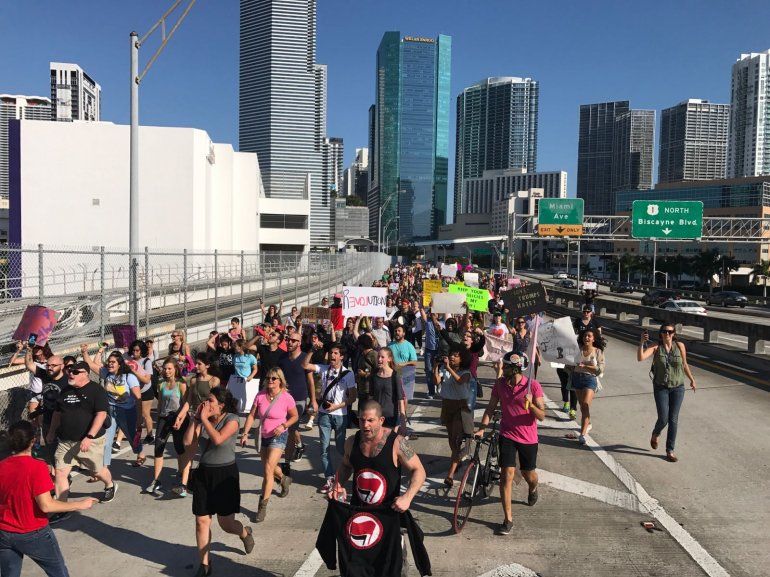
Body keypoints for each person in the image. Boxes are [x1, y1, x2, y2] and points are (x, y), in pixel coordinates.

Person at [0, 420, 97, 577]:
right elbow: (46, 505)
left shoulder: (2, 465)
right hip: (33, 531)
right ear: (33, 441)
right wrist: (79, 504)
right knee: (58, 572)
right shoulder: (37, 467)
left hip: (4, 531)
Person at [475, 352, 545, 535]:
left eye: (505, 366)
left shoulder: (533, 386)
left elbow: (542, 416)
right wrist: (482, 427)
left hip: (528, 438)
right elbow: (491, 407)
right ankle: (508, 519)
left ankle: (533, 487)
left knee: (528, 474)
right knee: (507, 474)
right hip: (507, 434)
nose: (501, 368)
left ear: (514, 368)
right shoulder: (499, 384)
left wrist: (530, 406)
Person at [187, 388, 254, 576]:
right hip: (204, 474)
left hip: (225, 475)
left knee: (226, 523)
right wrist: (196, 420)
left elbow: (218, 440)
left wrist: (205, 420)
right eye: (206, 400)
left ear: (221, 405)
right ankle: (205, 565)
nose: (206, 404)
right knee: (201, 521)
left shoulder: (232, 419)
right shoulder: (203, 420)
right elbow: (187, 443)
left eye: (210, 401)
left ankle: (244, 533)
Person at [329, 400, 426, 514]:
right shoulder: (351, 442)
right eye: (362, 420)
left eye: (370, 420)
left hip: (387, 513)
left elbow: (419, 470)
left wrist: (407, 497)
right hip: (358, 512)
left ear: (381, 420)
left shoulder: (397, 443)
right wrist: (338, 485)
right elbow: (345, 466)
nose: (365, 425)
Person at [45, 361, 117, 511]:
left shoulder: (96, 390)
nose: (71, 374)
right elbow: (57, 414)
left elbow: (101, 414)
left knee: (96, 471)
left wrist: (89, 437)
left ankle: (110, 485)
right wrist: (51, 431)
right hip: (65, 441)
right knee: (60, 472)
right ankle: (62, 507)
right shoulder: (65, 390)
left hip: (90, 441)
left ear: (86, 374)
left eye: (76, 372)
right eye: (70, 371)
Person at [240, 368, 298, 522]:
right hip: (263, 435)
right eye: (268, 378)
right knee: (269, 467)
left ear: (280, 380)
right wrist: (245, 433)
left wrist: (284, 426)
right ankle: (284, 479)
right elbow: (252, 415)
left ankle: (262, 507)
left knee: (267, 470)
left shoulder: (286, 397)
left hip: (279, 436)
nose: (270, 381)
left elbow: (295, 416)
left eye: (274, 378)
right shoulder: (260, 395)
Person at [302, 343, 357, 494]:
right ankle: (330, 478)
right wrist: (312, 349)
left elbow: (353, 397)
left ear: (341, 357)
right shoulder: (324, 369)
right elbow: (305, 364)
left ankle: (351, 471)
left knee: (340, 448)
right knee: (324, 449)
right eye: (331, 353)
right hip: (324, 414)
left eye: (335, 353)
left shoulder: (348, 374)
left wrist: (337, 406)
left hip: (340, 415)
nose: (332, 356)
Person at [636, 324, 696, 462]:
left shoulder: (680, 346)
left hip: (678, 387)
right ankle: (655, 433)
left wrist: (692, 379)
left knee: (673, 419)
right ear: (661, 333)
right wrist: (642, 343)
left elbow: (684, 364)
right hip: (661, 387)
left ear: (674, 333)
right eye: (664, 331)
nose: (667, 334)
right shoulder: (655, 346)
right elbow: (640, 358)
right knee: (663, 418)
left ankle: (670, 450)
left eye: (670, 332)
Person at [175, 352, 221, 494]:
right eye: (197, 363)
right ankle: (184, 485)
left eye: (200, 363)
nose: (196, 366)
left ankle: (210, 482)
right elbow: (189, 401)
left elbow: (216, 403)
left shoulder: (214, 381)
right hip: (195, 419)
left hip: (209, 421)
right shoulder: (193, 381)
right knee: (190, 451)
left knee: (209, 454)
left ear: (207, 365)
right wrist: (180, 416)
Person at [145, 359, 188, 496]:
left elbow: (185, 404)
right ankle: (156, 480)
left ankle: (181, 474)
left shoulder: (181, 384)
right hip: (164, 419)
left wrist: (180, 419)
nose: (166, 371)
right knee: (158, 448)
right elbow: (160, 404)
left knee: (179, 447)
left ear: (175, 369)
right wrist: (158, 419)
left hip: (178, 419)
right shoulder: (161, 384)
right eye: (165, 369)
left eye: (169, 368)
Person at [435, 348, 476, 490]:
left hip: (460, 407)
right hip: (447, 405)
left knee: (457, 439)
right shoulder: (444, 370)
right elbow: (436, 381)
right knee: (451, 439)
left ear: (462, 359)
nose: (452, 357)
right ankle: (457, 459)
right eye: (451, 355)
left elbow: (459, 381)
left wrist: (448, 368)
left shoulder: (466, 373)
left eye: (456, 355)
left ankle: (450, 475)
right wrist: (436, 366)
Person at [278, 331, 316, 471]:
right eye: (288, 339)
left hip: (299, 400)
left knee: (289, 429)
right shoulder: (282, 358)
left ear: (299, 343)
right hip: (282, 400)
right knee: (290, 429)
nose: (289, 342)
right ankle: (299, 445)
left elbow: (311, 381)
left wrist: (313, 401)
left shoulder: (305, 358)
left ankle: (286, 463)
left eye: (293, 340)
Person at [571, 329, 606, 446]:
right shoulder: (577, 350)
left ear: (593, 339)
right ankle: (588, 423)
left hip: (589, 380)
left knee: (585, 405)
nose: (586, 338)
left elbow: (600, 369)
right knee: (582, 407)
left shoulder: (598, 352)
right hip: (576, 378)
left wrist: (586, 366)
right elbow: (569, 364)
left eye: (589, 336)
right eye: (585, 336)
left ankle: (582, 434)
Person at [125, 340, 156, 444]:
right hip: (134, 390)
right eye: (133, 350)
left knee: (145, 414)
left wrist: (134, 371)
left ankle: (150, 435)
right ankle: (137, 435)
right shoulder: (130, 360)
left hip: (145, 390)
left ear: (141, 350)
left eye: (137, 350)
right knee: (136, 414)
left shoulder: (146, 361)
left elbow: (147, 380)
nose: (135, 352)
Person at [368, 348, 406, 429]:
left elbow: (400, 399)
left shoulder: (395, 375)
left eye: (382, 357)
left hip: (391, 417)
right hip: (376, 416)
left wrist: (403, 423)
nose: (379, 359)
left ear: (389, 359)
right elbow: (371, 397)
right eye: (378, 356)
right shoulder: (374, 374)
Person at [227, 339, 258, 414]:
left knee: (245, 397)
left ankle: (246, 411)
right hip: (236, 380)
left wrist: (250, 376)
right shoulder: (235, 356)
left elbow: (255, 369)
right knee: (234, 397)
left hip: (247, 381)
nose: (234, 347)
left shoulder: (250, 357)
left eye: (236, 346)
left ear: (241, 347)